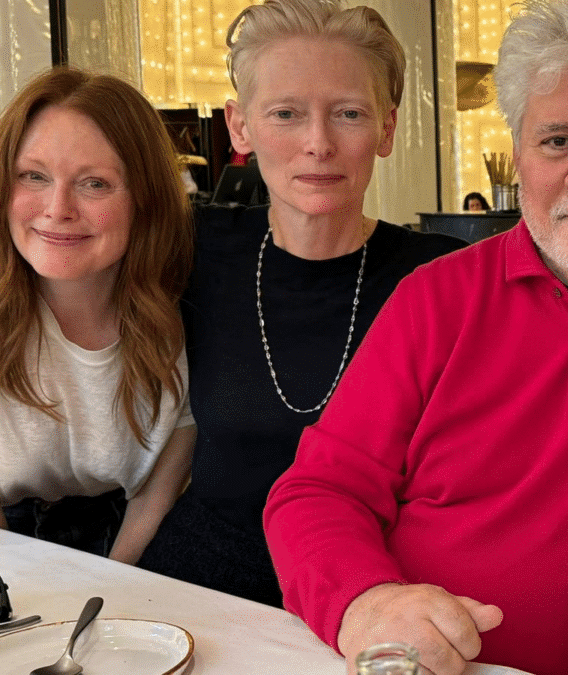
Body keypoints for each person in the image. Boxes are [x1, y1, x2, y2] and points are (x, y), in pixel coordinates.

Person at [261, 2, 568, 674]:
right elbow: (318, 493)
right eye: (556, 141)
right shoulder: (437, 298)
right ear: (517, 157)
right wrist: (369, 603)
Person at [135, 0, 465, 606]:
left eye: (348, 114)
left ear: (387, 129)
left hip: (366, 603)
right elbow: (51, 249)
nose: (318, 143)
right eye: (285, 114)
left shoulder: (444, 275)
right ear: (240, 126)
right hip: (194, 598)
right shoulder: (187, 247)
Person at [0, 67, 196, 563]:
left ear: (144, 200)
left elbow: (155, 499)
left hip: (116, 519)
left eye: (95, 184)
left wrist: (113, 588)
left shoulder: (188, 301)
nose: (57, 209)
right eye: (33, 176)